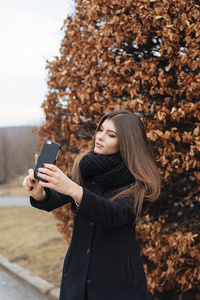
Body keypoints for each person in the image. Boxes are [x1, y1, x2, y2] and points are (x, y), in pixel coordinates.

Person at [23, 109, 161, 300]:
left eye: (111, 134)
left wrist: (73, 189)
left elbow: (115, 214)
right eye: (100, 130)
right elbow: (53, 199)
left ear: (127, 143)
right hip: (76, 280)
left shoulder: (139, 182)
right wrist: (39, 193)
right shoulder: (88, 168)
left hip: (117, 285)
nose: (100, 137)